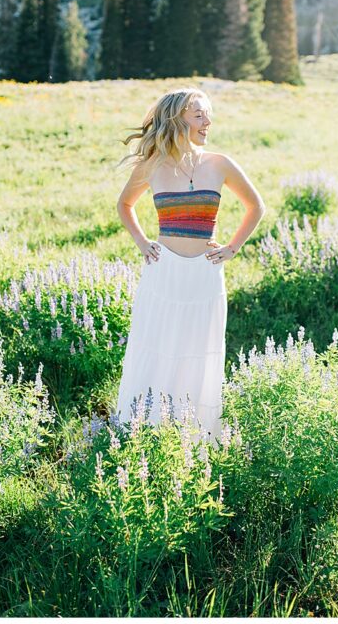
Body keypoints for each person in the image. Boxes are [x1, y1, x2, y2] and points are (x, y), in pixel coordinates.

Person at [114, 88, 265, 441]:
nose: (207, 122)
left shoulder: (219, 163)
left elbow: (256, 207)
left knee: (198, 352)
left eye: (207, 114)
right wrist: (142, 242)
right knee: (157, 346)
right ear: (176, 118)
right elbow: (125, 205)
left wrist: (231, 248)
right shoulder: (151, 165)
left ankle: (194, 436)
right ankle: (143, 432)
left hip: (204, 274)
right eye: (198, 115)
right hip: (163, 272)